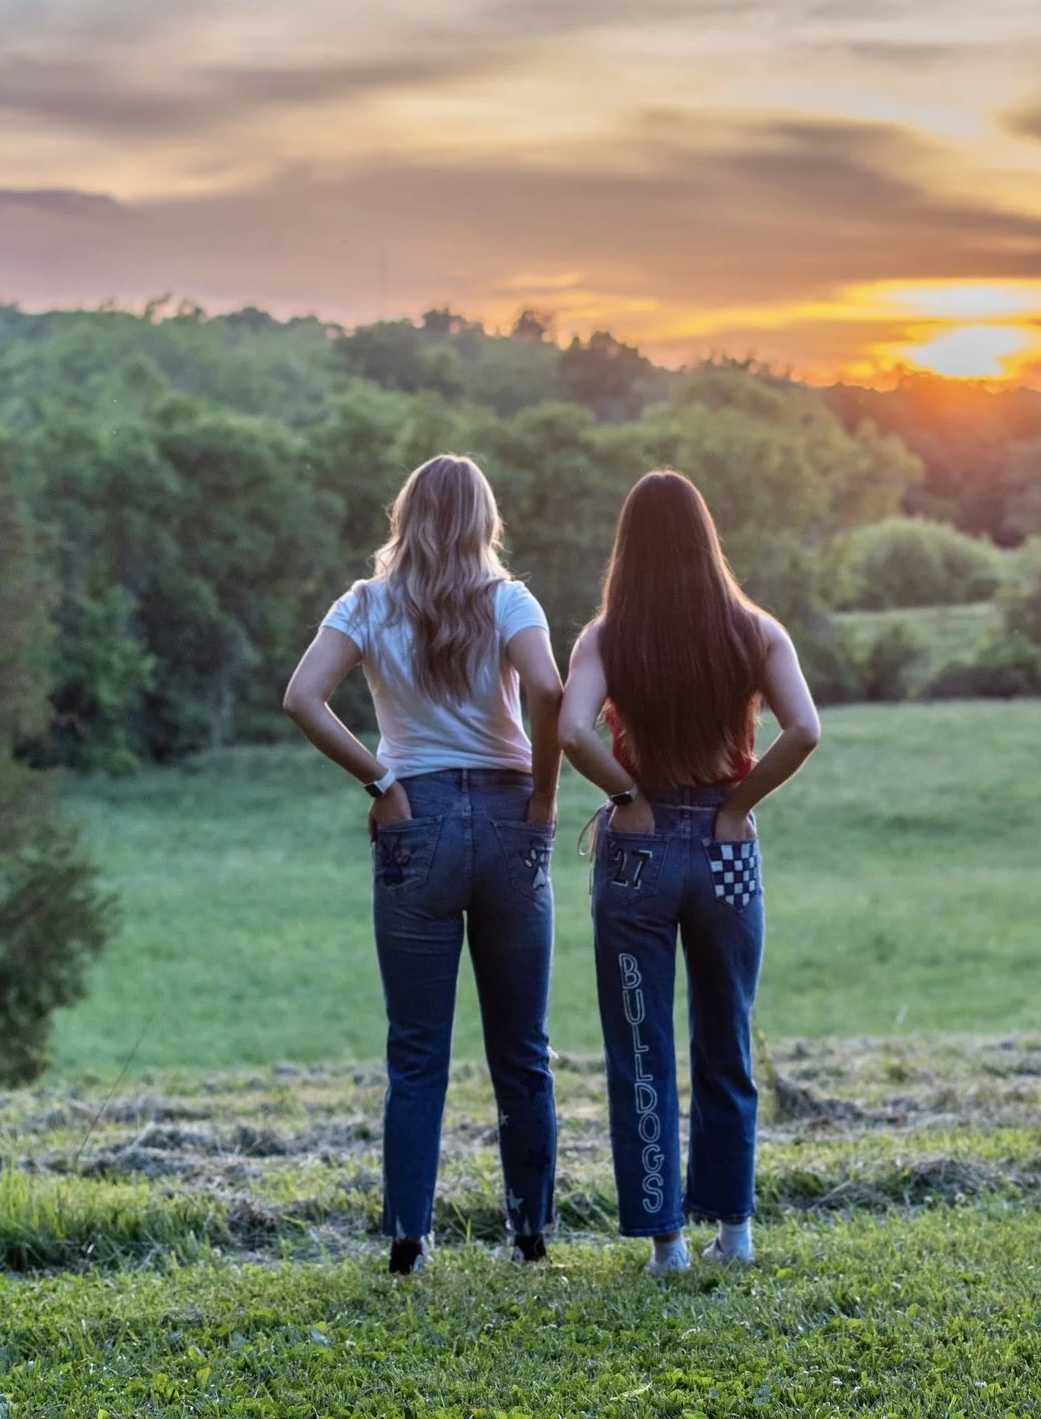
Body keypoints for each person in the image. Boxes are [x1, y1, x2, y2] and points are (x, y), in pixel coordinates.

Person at [282, 455, 564, 1274]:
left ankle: (410, 1238)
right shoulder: (510, 599)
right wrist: (545, 794)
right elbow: (549, 690)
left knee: (416, 1049)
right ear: (486, 520)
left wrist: (380, 780)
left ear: (404, 515)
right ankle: (530, 1235)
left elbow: (303, 697)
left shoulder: (365, 604)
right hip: (513, 821)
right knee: (523, 1047)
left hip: (417, 823)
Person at [559, 470, 822, 1275]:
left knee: (641, 1047)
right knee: (725, 1037)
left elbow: (572, 729)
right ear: (708, 540)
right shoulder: (756, 632)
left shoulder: (606, 637)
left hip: (637, 852)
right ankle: (734, 1232)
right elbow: (804, 729)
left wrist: (627, 793)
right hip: (726, 851)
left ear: (627, 546)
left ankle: (666, 1243)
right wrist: (738, 806)